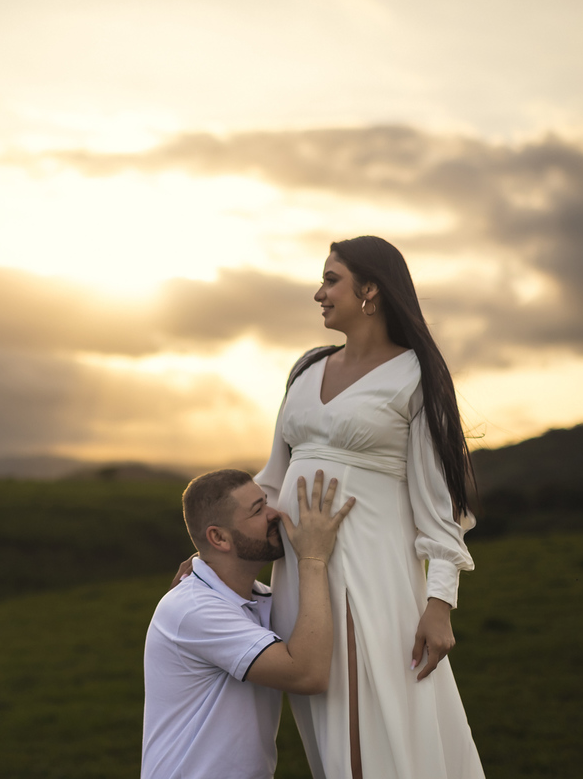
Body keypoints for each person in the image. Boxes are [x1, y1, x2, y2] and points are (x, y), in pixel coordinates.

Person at [254, 235, 485, 778]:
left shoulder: (416, 377)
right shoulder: (306, 369)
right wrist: (211, 564)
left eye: (330, 280)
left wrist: (439, 603)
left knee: (373, 734)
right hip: (296, 579)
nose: (319, 293)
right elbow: (271, 483)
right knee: (329, 737)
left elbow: (440, 505)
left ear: (371, 291)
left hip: (371, 578)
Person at [142, 469, 355, 779]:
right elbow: (308, 675)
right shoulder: (193, 609)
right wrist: (312, 558)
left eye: (266, 502)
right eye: (258, 510)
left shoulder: (259, 601)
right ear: (218, 538)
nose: (276, 515)